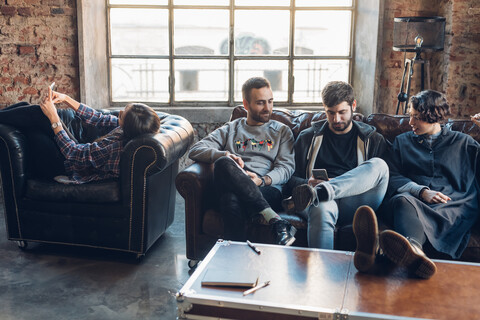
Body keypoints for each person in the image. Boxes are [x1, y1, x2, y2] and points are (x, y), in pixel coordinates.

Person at [353, 90, 480, 279]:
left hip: (452, 204)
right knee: (402, 201)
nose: (410, 122)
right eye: (410, 116)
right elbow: (391, 175)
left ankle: (383, 246)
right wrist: (421, 191)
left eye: (416, 117)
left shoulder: (463, 142)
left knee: (436, 210)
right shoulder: (402, 142)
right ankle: (412, 251)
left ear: (433, 116)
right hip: (413, 201)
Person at [188, 77, 296, 245]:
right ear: (246, 104)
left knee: (230, 199)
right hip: (236, 179)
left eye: (270, 101)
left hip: (268, 188)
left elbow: (286, 167)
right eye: (260, 103)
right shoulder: (232, 128)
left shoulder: (281, 131)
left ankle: (235, 261)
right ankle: (275, 219)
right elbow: (195, 149)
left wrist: (261, 180)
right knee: (223, 163)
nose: (268, 108)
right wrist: (224, 155)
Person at [287, 81, 389, 253]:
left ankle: (323, 190)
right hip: (322, 202)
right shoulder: (307, 138)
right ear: (324, 109)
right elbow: (289, 179)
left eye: (342, 112)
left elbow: (385, 179)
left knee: (380, 165)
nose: (336, 119)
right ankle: (323, 273)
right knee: (321, 207)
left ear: (353, 105)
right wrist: (308, 182)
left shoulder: (372, 139)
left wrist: (322, 188)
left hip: (357, 201)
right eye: (330, 113)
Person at [0, 85, 160, 184]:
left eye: (121, 115)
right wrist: (66, 98)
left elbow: (74, 153)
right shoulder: (128, 130)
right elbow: (97, 117)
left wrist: (54, 118)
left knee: (33, 127)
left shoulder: (117, 149)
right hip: (74, 157)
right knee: (29, 110)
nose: (118, 113)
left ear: (129, 126)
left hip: (68, 167)